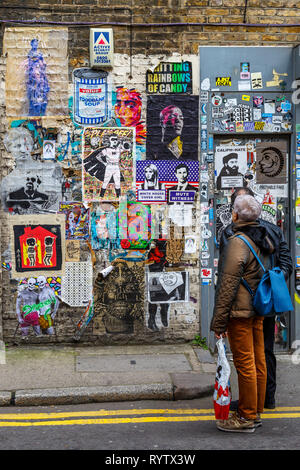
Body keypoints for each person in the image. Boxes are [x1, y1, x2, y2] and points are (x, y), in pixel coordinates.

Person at [219, 187, 293, 410]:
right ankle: (263, 400)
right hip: (267, 301)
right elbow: (286, 264)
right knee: (263, 352)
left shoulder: (231, 233)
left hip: (245, 304)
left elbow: (228, 276)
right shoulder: (273, 231)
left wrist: (219, 318)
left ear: (236, 211)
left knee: (247, 357)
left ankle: (250, 407)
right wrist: (270, 286)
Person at [211, 194, 274, 432]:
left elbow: (227, 284)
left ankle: (246, 416)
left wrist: (218, 323)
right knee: (258, 361)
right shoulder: (262, 236)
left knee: (246, 364)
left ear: (236, 215)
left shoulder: (238, 242)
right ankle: (254, 410)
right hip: (258, 308)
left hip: (240, 313)